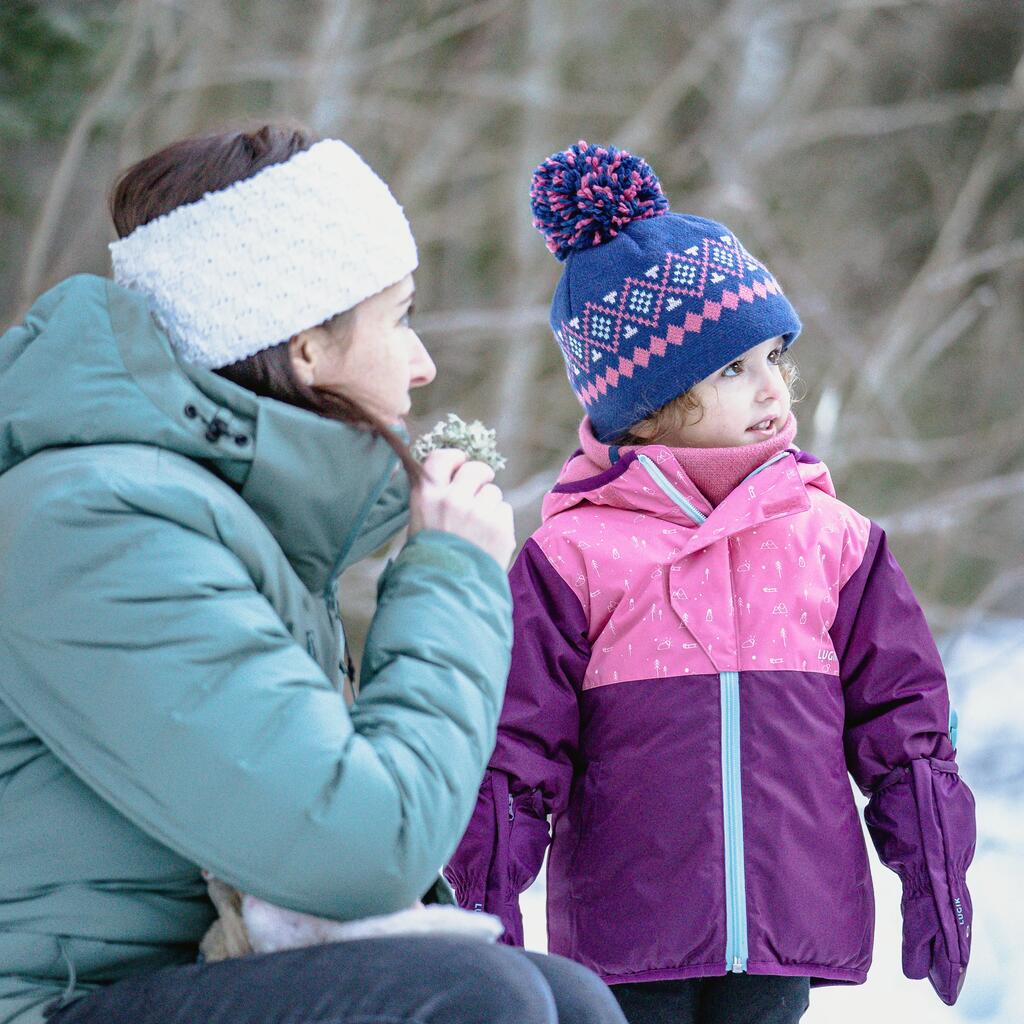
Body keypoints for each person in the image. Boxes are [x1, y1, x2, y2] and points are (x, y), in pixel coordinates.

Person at [0, 125, 628, 1024]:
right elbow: (366, 848)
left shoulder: (218, 515)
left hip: (174, 980)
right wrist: (450, 576)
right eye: (399, 316)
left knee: (567, 1000)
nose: (424, 364)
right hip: (53, 1004)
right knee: (476, 1003)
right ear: (305, 347)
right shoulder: (94, 520)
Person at [446, 141, 976, 1024]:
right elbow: (515, 752)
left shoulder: (834, 542)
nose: (772, 388)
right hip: (632, 941)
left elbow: (905, 718)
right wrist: (483, 908)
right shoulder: (573, 557)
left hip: (785, 927)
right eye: (733, 369)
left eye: (775, 357)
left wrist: (933, 867)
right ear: (646, 401)